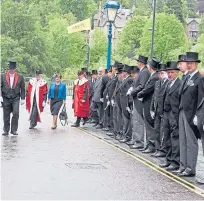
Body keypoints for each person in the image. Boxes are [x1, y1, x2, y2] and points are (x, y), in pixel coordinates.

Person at [177, 52, 202, 177]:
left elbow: (201, 99)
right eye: (188, 63)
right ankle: (183, 165)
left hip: (191, 114)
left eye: (191, 63)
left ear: (196, 64)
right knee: (183, 140)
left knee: (191, 142)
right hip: (182, 111)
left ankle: (190, 168)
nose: (189, 65)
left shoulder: (199, 79)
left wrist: (199, 114)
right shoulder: (186, 77)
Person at [159, 61, 181, 171]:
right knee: (166, 137)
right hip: (166, 113)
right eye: (168, 72)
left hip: (174, 113)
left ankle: (175, 161)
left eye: (172, 72)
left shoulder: (179, 84)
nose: (170, 74)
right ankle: (168, 159)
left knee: (175, 138)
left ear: (177, 72)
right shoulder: (168, 83)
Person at [137, 58, 160, 153]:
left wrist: (139, 94)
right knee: (147, 124)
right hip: (147, 102)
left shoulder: (154, 77)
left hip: (149, 102)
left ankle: (151, 145)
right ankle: (149, 144)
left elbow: (147, 89)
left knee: (149, 124)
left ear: (150, 66)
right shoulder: (152, 76)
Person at [128, 55, 150, 149]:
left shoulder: (144, 72)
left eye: (138, 62)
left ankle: (139, 142)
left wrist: (133, 92)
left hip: (139, 99)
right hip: (136, 98)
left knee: (138, 121)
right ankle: (136, 139)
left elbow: (142, 86)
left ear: (141, 63)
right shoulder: (142, 71)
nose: (137, 63)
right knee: (135, 120)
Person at [1, 60, 25, 135]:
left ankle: (14, 130)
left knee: (16, 113)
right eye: (10, 69)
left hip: (16, 97)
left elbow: (23, 88)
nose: (11, 70)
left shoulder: (20, 76)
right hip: (6, 97)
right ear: (8, 69)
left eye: (13, 69)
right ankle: (6, 130)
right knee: (6, 114)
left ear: (15, 69)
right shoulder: (2, 76)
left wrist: (23, 98)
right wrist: (0, 96)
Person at [150, 64, 169, 157]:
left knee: (163, 132)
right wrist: (152, 109)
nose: (160, 75)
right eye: (159, 73)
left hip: (164, 111)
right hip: (157, 110)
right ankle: (157, 148)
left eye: (162, 73)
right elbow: (154, 97)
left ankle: (163, 150)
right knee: (156, 130)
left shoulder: (168, 83)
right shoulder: (157, 83)